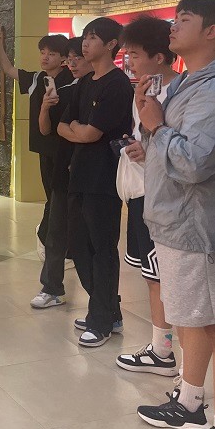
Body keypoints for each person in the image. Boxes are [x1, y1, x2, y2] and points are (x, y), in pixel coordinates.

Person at [135, 0, 215, 429]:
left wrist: (156, 126)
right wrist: (151, 132)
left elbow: (194, 163)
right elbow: (173, 150)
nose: (173, 25)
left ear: (212, 30)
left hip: (200, 228)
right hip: (180, 224)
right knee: (192, 320)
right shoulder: (191, 82)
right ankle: (189, 403)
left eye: (184, 18)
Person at [57, 18, 134, 347]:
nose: (85, 44)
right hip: (80, 172)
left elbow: (89, 133)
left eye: (92, 38)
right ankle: (109, 310)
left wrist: (79, 131)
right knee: (78, 245)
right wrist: (80, 131)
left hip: (105, 177)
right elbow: (63, 126)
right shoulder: (85, 82)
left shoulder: (118, 85)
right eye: (85, 37)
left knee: (102, 248)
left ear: (111, 44)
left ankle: (101, 320)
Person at [115, 16, 180, 377]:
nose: (130, 61)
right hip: (142, 192)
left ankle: (165, 351)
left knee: (163, 278)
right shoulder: (142, 89)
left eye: (136, 54)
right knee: (151, 275)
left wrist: (149, 147)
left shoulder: (182, 93)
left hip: (165, 198)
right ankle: (160, 347)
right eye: (128, 54)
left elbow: (181, 149)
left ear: (159, 56)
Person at [0, 28, 72, 253]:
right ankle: (52, 239)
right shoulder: (37, 79)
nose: (45, 57)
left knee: (61, 196)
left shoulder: (71, 81)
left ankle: (52, 238)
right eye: (42, 52)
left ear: (63, 58)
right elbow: (8, 69)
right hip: (45, 147)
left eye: (51, 53)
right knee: (52, 194)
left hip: (66, 147)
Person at [32, 36, 90, 308]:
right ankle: (51, 287)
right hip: (62, 169)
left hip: (93, 174)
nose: (73, 63)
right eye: (71, 58)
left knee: (90, 238)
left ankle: (101, 301)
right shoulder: (63, 91)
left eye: (79, 57)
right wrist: (47, 108)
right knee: (56, 232)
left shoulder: (111, 87)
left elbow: (94, 132)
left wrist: (73, 130)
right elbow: (50, 129)